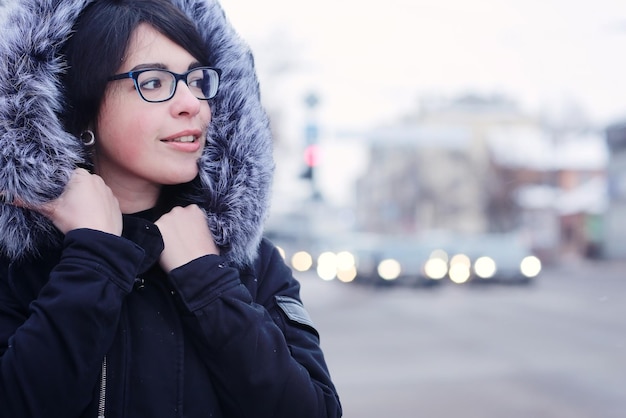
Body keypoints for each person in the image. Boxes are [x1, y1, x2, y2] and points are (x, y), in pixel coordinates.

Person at [0, 0, 342, 417]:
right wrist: (94, 259)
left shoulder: (249, 264)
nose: (191, 104)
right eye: (155, 82)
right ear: (81, 107)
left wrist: (208, 283)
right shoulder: (17, 264)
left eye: (197, 80)